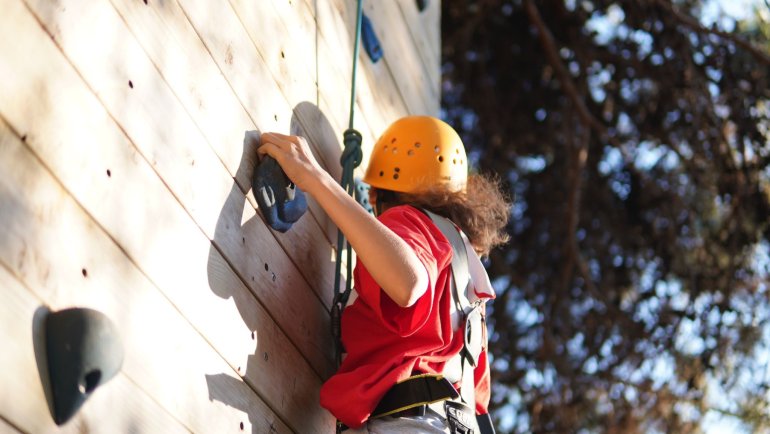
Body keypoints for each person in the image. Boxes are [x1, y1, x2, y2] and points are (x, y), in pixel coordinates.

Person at [258, 116, 510, 433]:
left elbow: (407, 282)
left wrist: (315, 178)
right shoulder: (467, 280)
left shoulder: (410, 220)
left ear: (380, 194)